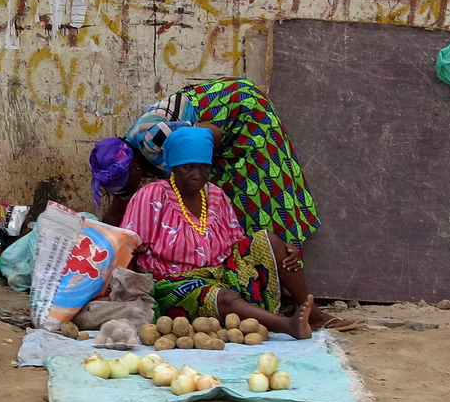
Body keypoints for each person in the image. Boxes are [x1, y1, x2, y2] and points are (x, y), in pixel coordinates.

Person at [119, 126, 352, 338]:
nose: (197, 175)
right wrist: (132, 296)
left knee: (269, 241)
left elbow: (236, 242)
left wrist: (280, 250)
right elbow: (127, 246)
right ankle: (286, 326)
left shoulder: (216, 195)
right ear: (173, 166)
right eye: (189, 167)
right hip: (171, 282)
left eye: (204, 167)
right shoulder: (151, 196)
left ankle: (314, 315)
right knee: (224, 297)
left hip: (219, 271)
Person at [93, 77, 319, 250]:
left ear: (135, 168)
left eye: (123, 185)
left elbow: (214, 134)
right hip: (221, 129)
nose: (124, 191)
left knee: (259, 187)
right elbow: (117, 212)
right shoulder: (130, 163)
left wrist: (205, 168)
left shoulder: (152, 137)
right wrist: (100, 247)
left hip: (243, 110)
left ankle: (284, 253)